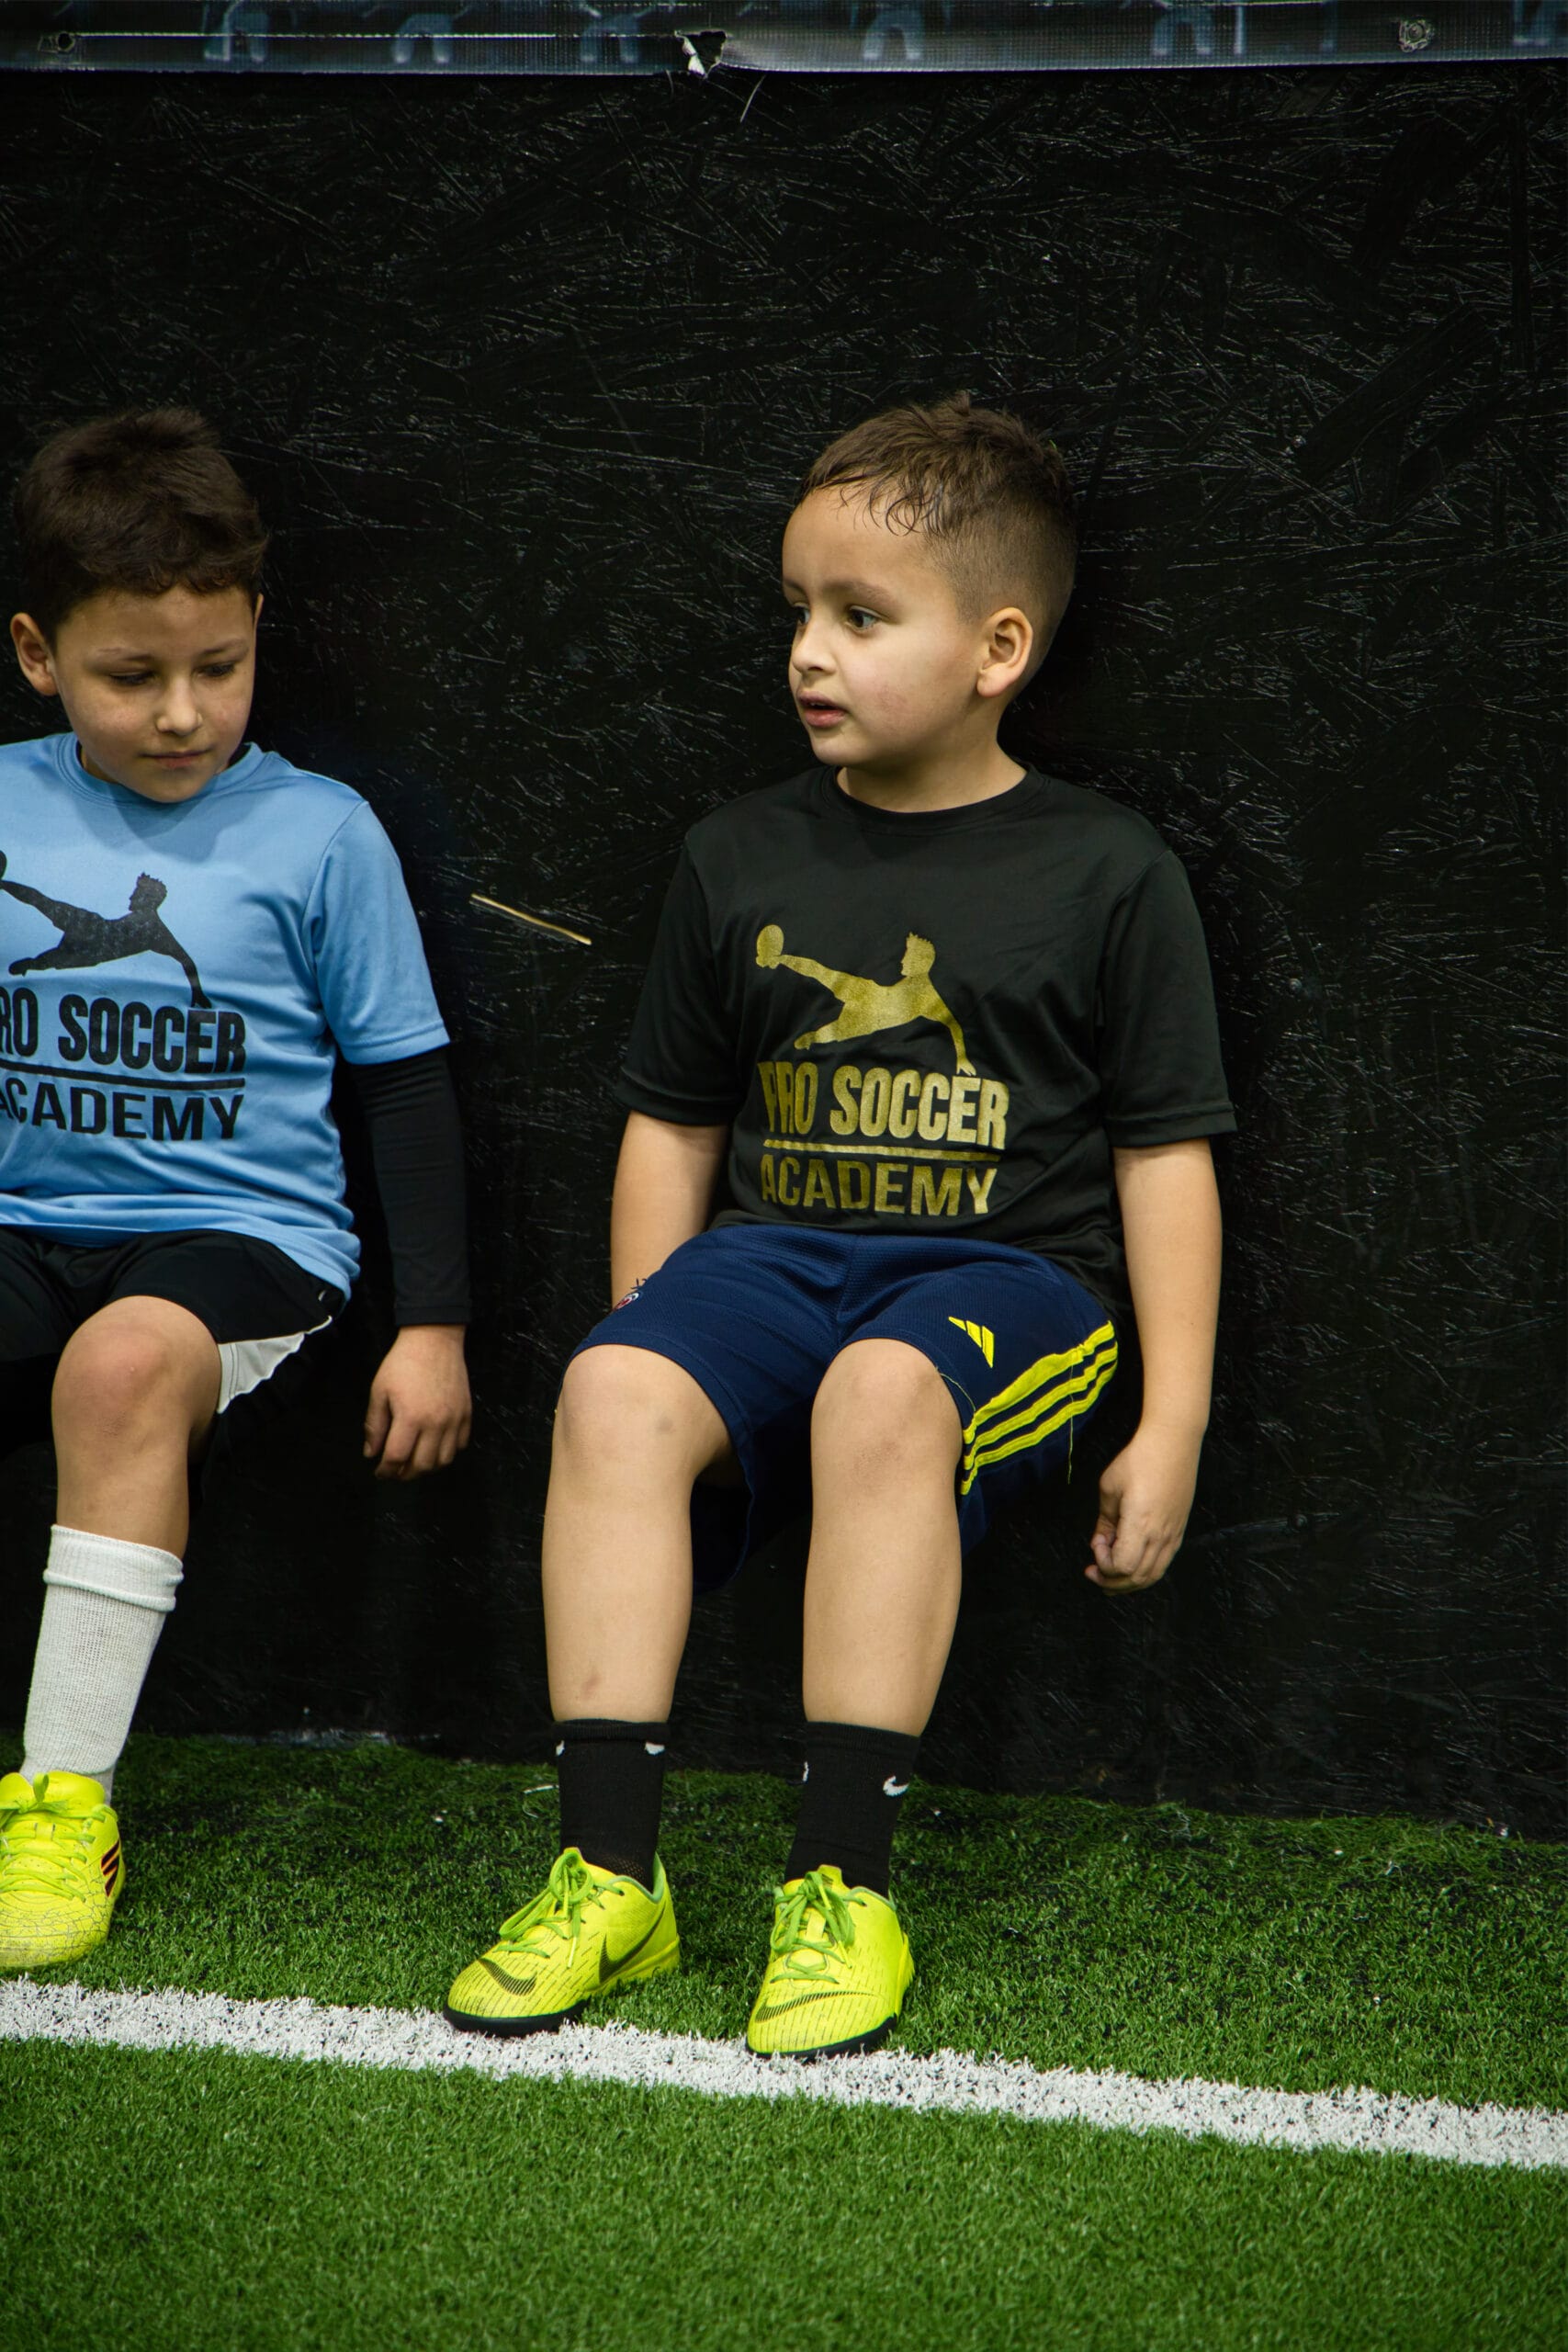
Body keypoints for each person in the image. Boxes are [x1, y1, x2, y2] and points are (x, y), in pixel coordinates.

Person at [446, 393, 1233, 2060]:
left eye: (862, 618)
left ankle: (842, 1889)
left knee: (884, 1392)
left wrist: (1172, 1421)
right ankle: (608, 1874)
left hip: (1006, 1284)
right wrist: (667, 1351)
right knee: (606, 1386)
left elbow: (1168, 1157)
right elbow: (674, 1124)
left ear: (998, 645)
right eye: (799, 610)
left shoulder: (1108, 871)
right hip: (770, 1263)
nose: (810, 651)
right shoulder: (738, 855)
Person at [0, 410, 471, 1971]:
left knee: (122, 1363)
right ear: (36, 655)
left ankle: (65, 1800)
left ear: (259, 632)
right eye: (134, 677)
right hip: (25, 1228)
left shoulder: (322, 834)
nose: (184, 713)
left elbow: (402, 1079)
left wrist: (439, 1329)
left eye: (219, 667)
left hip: (244, 1242)